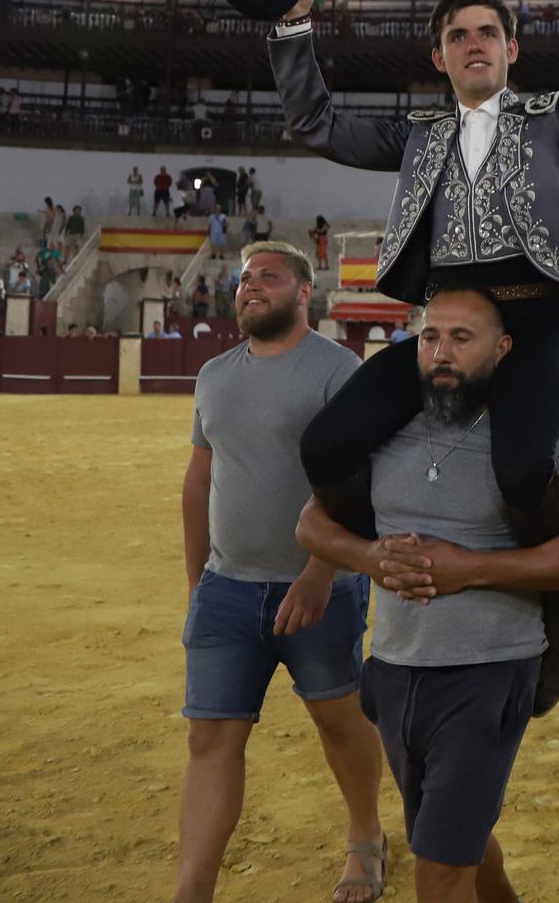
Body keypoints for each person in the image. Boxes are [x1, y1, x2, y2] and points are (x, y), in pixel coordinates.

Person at [268, 0, 559, 718]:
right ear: (437, 57)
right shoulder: (417, 132)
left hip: (534, 325)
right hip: (440, 331)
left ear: (513, 49)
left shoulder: (553, 117)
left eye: (488, 33)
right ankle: (392, 560)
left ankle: (554, 597)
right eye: (458, 35)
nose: (474, 43)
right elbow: (314, 124)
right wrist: (294, 23)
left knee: (521, 469)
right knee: (325, 444)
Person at [294, 284, 559, 903]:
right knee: (448, 843)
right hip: (393, 669)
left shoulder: (545, 437)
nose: (441, 352)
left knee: (440, 870)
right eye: (430, 337)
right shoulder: (384, 431)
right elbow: (309, 524)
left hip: (489, 673)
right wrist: (370, 558)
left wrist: (472, 568)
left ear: (502, 350)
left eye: (461, 339)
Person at [174, 243, 387, 903]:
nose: (251, 286)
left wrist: (322, 571)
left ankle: (365, 832)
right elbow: (198, 482)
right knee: (210, 737)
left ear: (304, 292)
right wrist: (197, 585)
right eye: (244, 278)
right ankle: (192, 890)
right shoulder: (213, 374)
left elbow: (360, 480)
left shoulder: (339, 369)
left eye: (268, 276)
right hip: (226, 587)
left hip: (320, 590)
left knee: (339, 719)